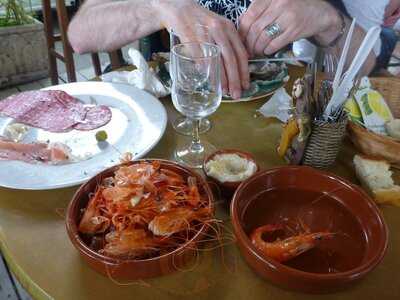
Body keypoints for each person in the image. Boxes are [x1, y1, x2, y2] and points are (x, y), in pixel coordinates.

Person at [68, 0, 376, 99]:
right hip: (178, 110)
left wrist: (328, 20)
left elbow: (366, 65)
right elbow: (80, 33)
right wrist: (158, 6)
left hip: (270, 117)